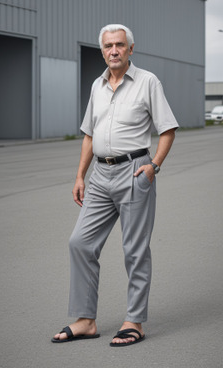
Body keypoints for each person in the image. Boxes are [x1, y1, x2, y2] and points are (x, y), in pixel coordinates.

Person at [52, 24, 179, 347]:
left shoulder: (147, 82)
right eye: (108, 46)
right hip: (99, 175)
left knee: (134, 251)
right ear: (102, 50)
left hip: (135, 171)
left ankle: (134, 321)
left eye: (120, 45)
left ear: (130, 49)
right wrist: (80, 176)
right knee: (80, 243)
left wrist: (154, 166)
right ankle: (85, 320)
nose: (114, 51)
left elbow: (167, 130)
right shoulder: (97, 86)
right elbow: (89, 135)